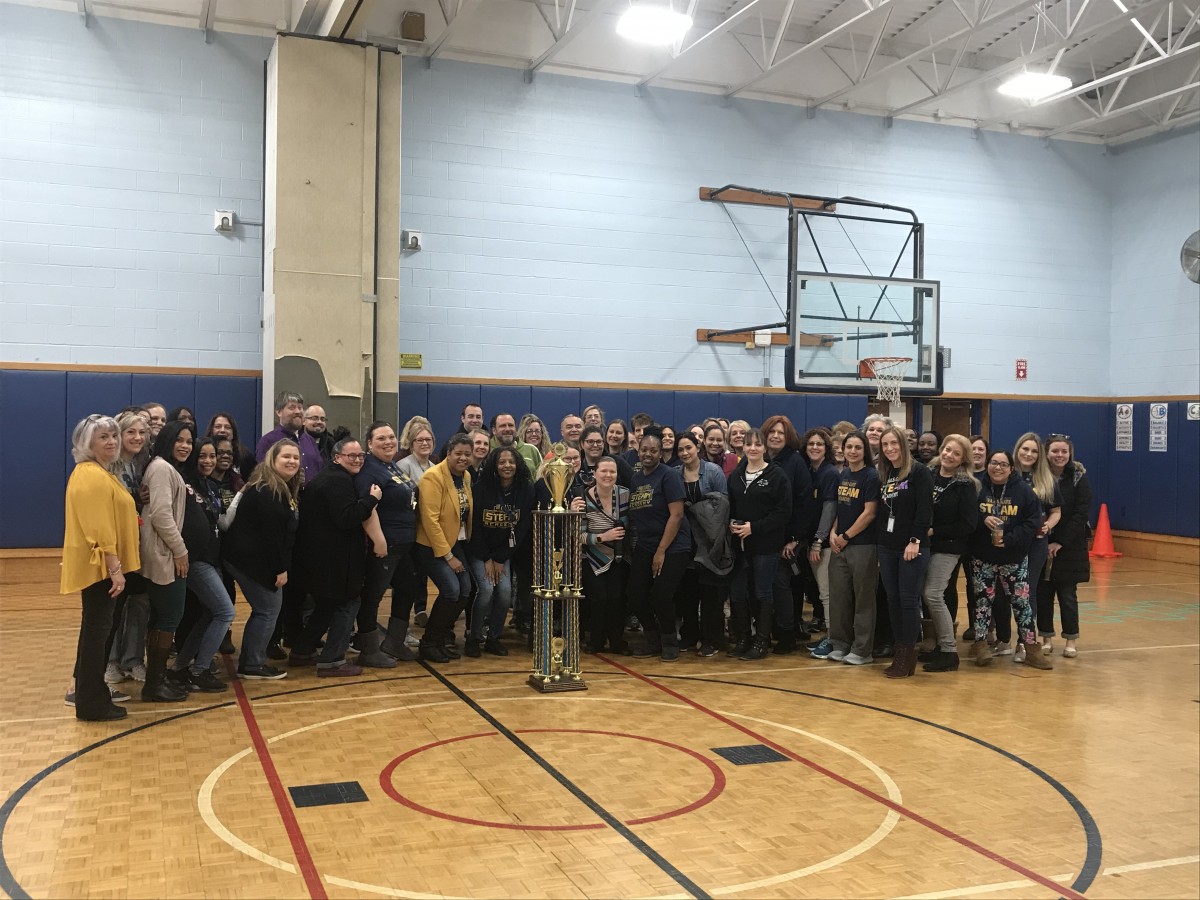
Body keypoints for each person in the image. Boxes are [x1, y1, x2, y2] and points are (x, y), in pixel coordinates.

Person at [61, 415, 141, 721]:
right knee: (97, 633)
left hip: (103, 566)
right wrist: (115, 566)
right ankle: (92, 703)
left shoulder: (101, 472)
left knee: (95, 631)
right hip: (101, 569)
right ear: (87, 444)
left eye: (113, 436)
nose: (112, 441)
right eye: (103, 437)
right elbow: (99, 527)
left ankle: (91, 697)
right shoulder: (90, 475)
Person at [291, 438, 382, 677]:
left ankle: (301, 651)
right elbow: (347, 517)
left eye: (360, 455)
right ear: (336, 457)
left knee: (326, 605)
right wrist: (372, 499)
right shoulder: (337, 480)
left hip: (321, 557)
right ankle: (332, 660)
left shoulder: (330, 477)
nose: (357, 459)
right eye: (350, 455)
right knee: (348, 602)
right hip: (333, 560)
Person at [223, 440, 302, 679]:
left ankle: (251, 661)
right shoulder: (268, 489)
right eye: (286, 457)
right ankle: (252, 665)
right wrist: (280, 569)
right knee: (268, 609)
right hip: (250, 560)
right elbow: (271, 535)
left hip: (252, 558)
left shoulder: (280, 487)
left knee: (264, 610)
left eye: (296, 458)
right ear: (272, 460)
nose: (292, 461)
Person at [969, 450, 1050, 670]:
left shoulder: (1024, 491)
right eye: (994, 463)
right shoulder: (977, 488)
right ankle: (981, 644)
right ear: (987, 465)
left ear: (1011, 468)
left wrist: (1010, 539)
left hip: (1013, 557)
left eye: (1003, 464)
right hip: (983, 557)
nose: (998, 468)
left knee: (1022, 605)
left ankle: (1032, 649)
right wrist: (983, 519)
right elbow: (966, 514)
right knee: (983, 603)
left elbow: (1033, 522)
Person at [165, 438, 235, 693]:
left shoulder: (210, 486)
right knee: (225, 612)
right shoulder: (184, 484)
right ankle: (200, 670)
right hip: (195, 560)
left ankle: (181, 667)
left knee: (210, 613)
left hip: (212, 559)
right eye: (202, 456)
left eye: (212, 456)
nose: (208, 461)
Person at [138, 421, 196, 702]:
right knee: (170, 616)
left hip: (162, 553)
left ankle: (155, 682)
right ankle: (154, 684)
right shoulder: (161, 468)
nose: (185, 445)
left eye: (189, 441)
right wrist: (180, 550)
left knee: (162, 617)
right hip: (163, 555)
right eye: (180, 440)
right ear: (167, 440)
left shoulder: (163, 468)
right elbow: (160, 515)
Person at [354, 422, 418, 667]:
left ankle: (394, 641)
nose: (388, 442)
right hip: (385, 545)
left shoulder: (390, 466)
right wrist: (379, 540)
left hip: (403, 544)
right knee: (373, 595)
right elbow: (368, 506)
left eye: (391, 437)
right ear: (369, 444)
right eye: (381, 438)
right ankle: (368, 649)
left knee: (408, 587)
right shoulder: (369, 470)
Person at [626, 427, 692, 661]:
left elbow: (676, 515)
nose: (648, 454)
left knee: (661, 595)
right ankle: (652, 640)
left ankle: (669, 641)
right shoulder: (636, 478)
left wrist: (661, 551)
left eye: (653, 450)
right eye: (644, 449)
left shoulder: (669, 475)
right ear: (637, 450)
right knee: (635, 595)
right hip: (646, 544)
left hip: (673, 545)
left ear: (660, 452)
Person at [814, 432, 879, 666]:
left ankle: (862, 650)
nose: (852, 451)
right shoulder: (843, 474)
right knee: (839, 597)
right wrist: (833, 532)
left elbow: (869, 513)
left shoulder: (871, 476)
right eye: (849, 447)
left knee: (863, 599)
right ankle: (840, 644)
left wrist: (846, 536)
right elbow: (841, 509)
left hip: (862, 545)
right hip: (839, 543)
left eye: (857, 447)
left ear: (865, 451)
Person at [997, 432, 1062, 663]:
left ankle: (1025, 643)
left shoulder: (1046, 479)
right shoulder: (1003, 474)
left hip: (1035, 544)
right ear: (1017, 450)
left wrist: (1047, 527)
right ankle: (1002, 639)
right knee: (1003, 593)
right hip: (1009, 541)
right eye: (1025, 449)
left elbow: (1056, 512)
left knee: (1027, 593)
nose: (1029, 454)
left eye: (1034, 451)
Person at [727, 429, 792, 660]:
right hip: (739, 546)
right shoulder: (736, 475)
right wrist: (731, 524)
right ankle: (743, 637)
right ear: (742, 447)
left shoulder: (776, 475)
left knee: (763, 592)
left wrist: (754, 527)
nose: (753, 448)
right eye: (748, 444)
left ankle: (761, 641)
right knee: (737, 592)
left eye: (757, 444)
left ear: (765, 448)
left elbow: (783, 513)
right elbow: (731, 506)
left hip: (766, 545)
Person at [874, 426, 933, 679]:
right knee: (893, 600)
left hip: (911, 547)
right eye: (885, 445)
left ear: (903, 445)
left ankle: (908, 655)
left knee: (908, 601)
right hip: (887, 546)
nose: (889, 449)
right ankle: (901, 653)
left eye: (893, 444)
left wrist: (915, 540)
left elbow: (924, 511)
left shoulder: (919, 472)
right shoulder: (887, 473)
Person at [919, 434, 979, 673]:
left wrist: (935, 531)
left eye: (956, 453)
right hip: (926, 545)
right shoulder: (929, 474)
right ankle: (940, 646)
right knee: (929, 596)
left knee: (933, 594)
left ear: (963, 459)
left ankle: (949, 650)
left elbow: (968, 524)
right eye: (947, 450)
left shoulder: (965, 485)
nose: (949, 455)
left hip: (949, 548)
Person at [466, 447, 534, 657]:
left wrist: (500, 557)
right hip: (480, 552)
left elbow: (522, 529)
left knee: (504, 593)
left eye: (511, 462)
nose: (507, 466)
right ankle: (474, 637)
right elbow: (473, 527)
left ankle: (493, 638)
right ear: (494, 465)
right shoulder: (480, 489)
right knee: (486, 590)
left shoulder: (526, 490)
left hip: (503, 553)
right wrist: (487, 558)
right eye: (502, 462)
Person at [415, 434, 475, 662]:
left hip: (455, 541)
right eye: (458, 453)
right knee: (451, 590)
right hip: (431, 545)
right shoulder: (433, 477)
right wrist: (448, 556)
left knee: (465, 590)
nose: (463, 458)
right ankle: (428, 643)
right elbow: (429, 520)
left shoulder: (466, 476)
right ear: (448, 453)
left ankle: (440, 639)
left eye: (467, 454)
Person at [104, 411, 151, 686]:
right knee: (114, 608)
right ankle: (110, 662)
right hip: (115, 549)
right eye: (130, 432)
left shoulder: (138, 464)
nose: (137, 437)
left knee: (139, 603)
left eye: (141, 433)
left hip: (137, 546)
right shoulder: (110, 466)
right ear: (119, 435)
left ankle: (133, 660)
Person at [673, 432, 730, 655]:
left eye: (688, 447)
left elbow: (722, 504)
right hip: (685, 540)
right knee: (687, 592)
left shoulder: (713, 472)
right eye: (680, 450)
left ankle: (711, 640)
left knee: (710, 594)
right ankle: (689, 636)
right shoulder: (675, 474)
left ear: (698, 447)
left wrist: (696, 510)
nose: (685, 453)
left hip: (709, 539)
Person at [762, 414, 813, 653]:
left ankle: (787, 635)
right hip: (763, 536)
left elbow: (803, 503)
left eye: (780, 433)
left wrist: (794, 539)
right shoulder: (759, 459)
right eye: (772, 431)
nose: (775, 436)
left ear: (788, 436)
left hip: (787, 540)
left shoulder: (795, 462)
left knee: (782, 586)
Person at [1038, 435, 1092, 658]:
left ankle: (1071, 640)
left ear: (1070, 454)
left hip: (1071, 546)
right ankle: (1046, 638)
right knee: (1043, 595)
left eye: (1064, 451)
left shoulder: (1078, 477)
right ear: (1047, 453)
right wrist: (1046, 539)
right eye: (1055, 451)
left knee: (1068, 595)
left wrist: (1061, 541)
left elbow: (1081, 513)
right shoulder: (1038, 477)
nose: (1059, 455)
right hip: (1042, 543)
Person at [578, 457, 631, 654]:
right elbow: (578, 536)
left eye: (612, 472)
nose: (608, 475)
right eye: (604, 471)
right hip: (593, 557)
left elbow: (631, 525)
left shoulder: (625, 495)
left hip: (619, 556)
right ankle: (596, 641)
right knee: (599, 599)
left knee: (617, 599)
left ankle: (617, 641)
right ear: (594, 474)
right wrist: (603, 537)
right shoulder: (583, 499)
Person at [800, 428, 839, 635]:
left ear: (826, 448)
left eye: (819, 444)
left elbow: (829, 509)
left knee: (827, 593)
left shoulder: (830, 473)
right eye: (811, 444)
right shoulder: (810, 471)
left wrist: (818, 540)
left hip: (823, 545)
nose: (815, 447)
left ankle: (834, 638)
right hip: (811, 541)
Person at [255, 390, 322, 488]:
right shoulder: (268, 441)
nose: (298, 411)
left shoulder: (310, 440)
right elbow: (263, 476)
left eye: (300, 407)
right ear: (279, 412)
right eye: (292, 407)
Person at [206, 412, 257, 479]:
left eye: (227, 427)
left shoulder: (245, 455)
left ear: (233, 432)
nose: (222, 430)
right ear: (211, 430)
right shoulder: (202, 450)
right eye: (218, 426)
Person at [491, 412, 542, 476]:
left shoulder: (531, 450)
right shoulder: (486, 450)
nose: (507, 429)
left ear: (516, 428)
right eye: (503, 426)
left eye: (511, 425)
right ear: (494, 430)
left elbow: (541, 478)